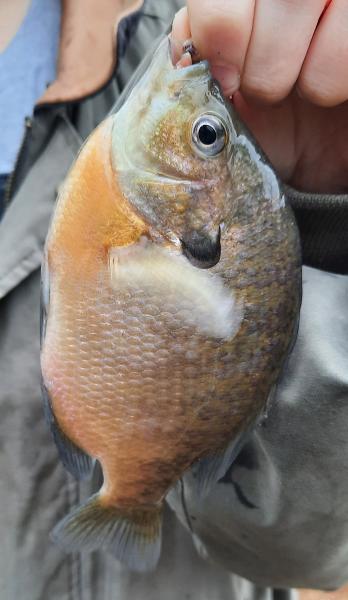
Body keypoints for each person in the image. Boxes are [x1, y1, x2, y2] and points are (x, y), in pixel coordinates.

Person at [0, 1, 347, 599]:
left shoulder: (249, 49)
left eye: (204, 135)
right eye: (207, 135)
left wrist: (325, 204)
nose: (202, 122)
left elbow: (315, 550)